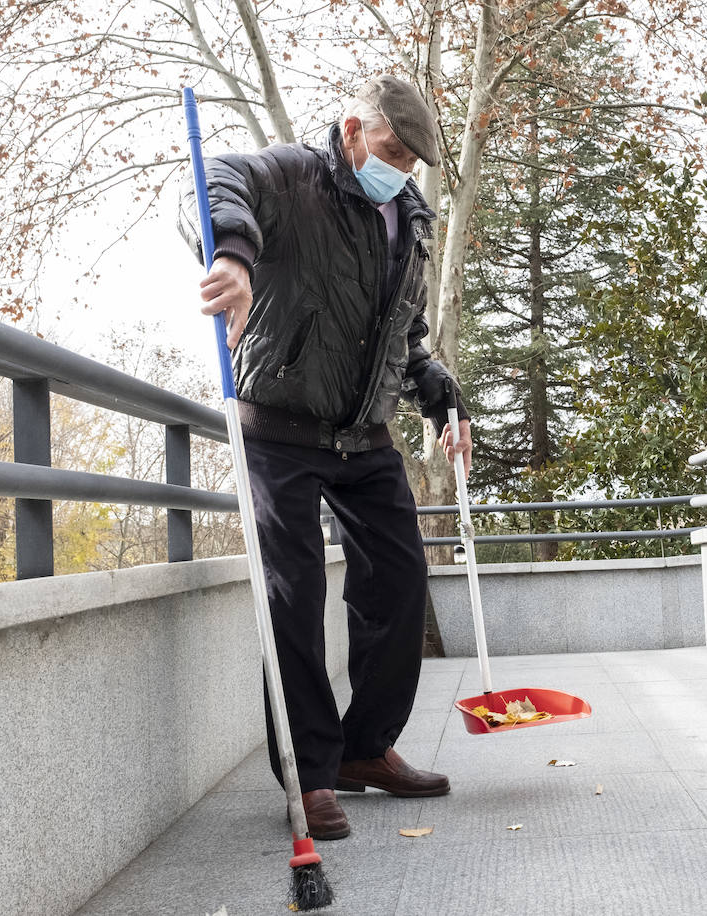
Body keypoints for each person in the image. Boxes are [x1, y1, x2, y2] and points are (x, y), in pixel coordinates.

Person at [179, 75, 470, 841]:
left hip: (362, 433)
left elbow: (401, 338)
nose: (401, 169)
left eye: (412, 160)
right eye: (392, 150)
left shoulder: (409, 218)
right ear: (352, 130)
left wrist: (441, 397)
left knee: (401, 575)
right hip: (276, 424)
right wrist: (235, 256)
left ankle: (364, 750)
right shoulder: (291, 176)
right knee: (295, 593)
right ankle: (309, 777)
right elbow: (211, 180)